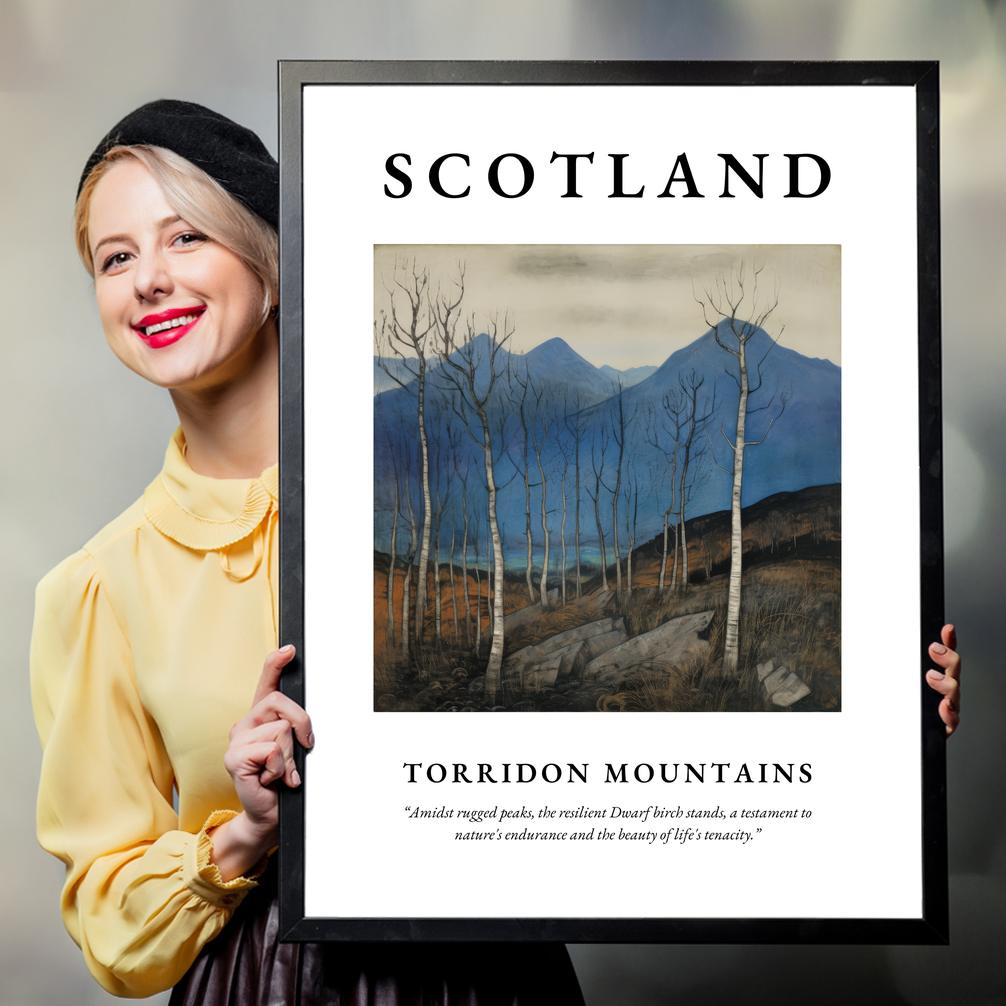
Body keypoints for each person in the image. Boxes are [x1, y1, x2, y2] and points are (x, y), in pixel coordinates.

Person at [30, 100, 586, 1004]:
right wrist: (245, 833)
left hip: (492, 973)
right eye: (115, 258)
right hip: (264, 982)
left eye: (186, 237)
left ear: (272, 262)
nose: (149, 281)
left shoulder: (446, 493)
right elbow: (110, 923)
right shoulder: (98, 587)